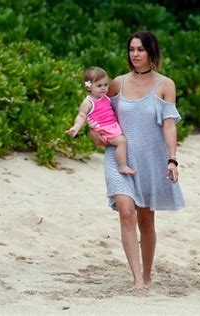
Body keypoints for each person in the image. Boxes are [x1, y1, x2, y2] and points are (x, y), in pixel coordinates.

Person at [90, 31, 185, 290]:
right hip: (118, 156)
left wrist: (172, 159)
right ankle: (137, 279)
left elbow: (169, 126)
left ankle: (147, 273)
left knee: (146, 219)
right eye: (131, 49)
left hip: (150, 158)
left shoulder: (166, 85)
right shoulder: (117, 84)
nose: (135, 54)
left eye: (140, 49)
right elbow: (97, 111)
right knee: (126, 212)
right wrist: (93, 133)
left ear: (152, 52)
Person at [66, 67, 136, 175]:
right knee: (122, 142)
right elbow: (81, 116)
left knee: (124, 140)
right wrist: (76, 127)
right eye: (99, 86)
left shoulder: (105, 97)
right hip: (104, 130)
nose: (103, 88)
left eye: (105, 85)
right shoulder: (88, 102)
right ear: (89, 87)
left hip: (112, 126)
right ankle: (122, 166)